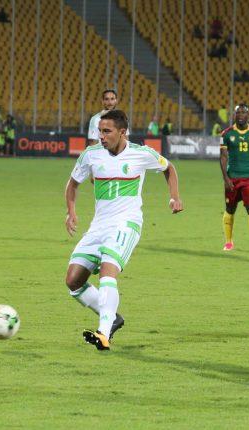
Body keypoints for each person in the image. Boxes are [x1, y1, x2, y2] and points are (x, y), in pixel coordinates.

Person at [65, 109, 183, 351]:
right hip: (98, 226)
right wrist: (71, 211)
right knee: (73, 281)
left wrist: (174, 197)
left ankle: (104, 333)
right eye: (100, 131)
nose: (101, 136)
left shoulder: (141, 154)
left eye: (107, 131)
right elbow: (73, 184)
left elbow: (169, 168)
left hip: (126, 224)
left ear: (122, 132)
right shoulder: (91, 154)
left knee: (107, 272)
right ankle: (112, 317)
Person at [220, 104, 249, 253]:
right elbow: (223, 157)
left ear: (248, 115)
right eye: (237, 112)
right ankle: (228, 242)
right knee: (230, 209)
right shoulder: (226, 134)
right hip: (232, 178)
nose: (240, 115)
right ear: (234, 115)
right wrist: (226, 179)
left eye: (243, 112)